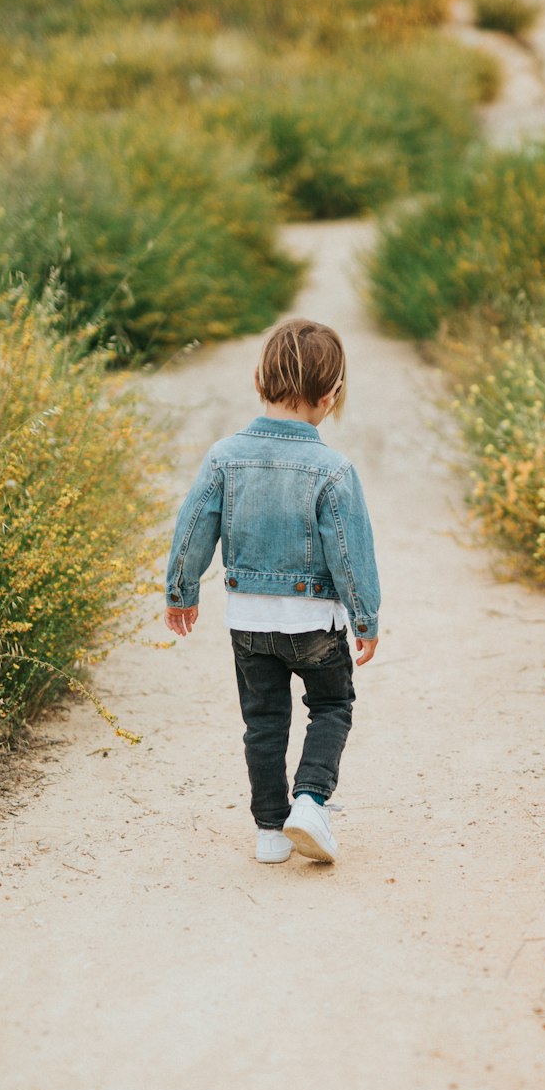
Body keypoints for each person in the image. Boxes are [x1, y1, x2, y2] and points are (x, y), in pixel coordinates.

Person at [164, 317, 380, 867]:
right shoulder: (333, 469)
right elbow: (350, 555)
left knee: (262, 722)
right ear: (330, 396)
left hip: (249, 621)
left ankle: (268, 831)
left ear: (259, 380)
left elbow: (193, 528)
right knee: (331, 704)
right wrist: (365, 617)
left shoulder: (223, 456)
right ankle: (309, 801)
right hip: (316, 624)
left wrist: (181, 591)